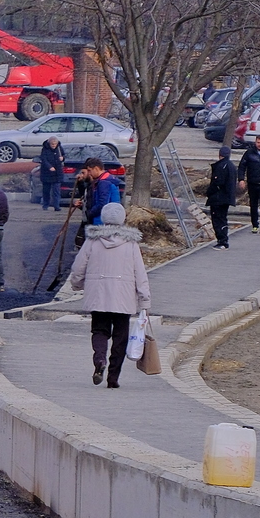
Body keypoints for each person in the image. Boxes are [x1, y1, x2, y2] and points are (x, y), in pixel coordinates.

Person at [67, 202, 151, 389]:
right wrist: (144, 300)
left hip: (98, 295)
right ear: (122, 219)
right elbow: (140, 273)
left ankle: (100, 359)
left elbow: (79, 266)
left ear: (103, 218)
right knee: (121, 337)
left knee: (99, 330)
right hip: (123, 297)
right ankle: (113, 378)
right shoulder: (131, 244)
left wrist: (77, 284)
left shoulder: (92, 241)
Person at [206, 146, 237, 249]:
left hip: (218, 198)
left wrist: (209, 192)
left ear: (220, 155)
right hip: (227, 198)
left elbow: (217, 183)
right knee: (223, 218)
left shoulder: (221, 166)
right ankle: (223, 240)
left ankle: (222, 241)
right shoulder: (231, 166)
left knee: (218, 219)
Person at [36, 137, 66, 212]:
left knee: (56, 191)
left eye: (55, 144)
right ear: (49, 144)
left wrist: (63, 158)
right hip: (47, 173)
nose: (54, 145)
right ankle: (45, 205)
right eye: (52, 144)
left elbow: (64, 155)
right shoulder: (45, 149)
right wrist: (49, 167)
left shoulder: (59, 148)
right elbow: (44, 159)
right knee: (46, 190)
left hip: (57, 173)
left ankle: (56, 206)